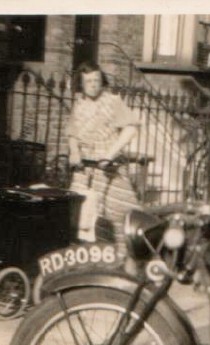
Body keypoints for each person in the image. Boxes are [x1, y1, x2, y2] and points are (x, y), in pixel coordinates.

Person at [66, 61, 140, 254]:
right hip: (84, 169)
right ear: (81, 84)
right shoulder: (79, 104)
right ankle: (85, 257)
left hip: (108, 167)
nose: (93, 84)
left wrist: (109, 155)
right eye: (88, 81)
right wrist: (74, 151)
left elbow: (131, 128)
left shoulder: (112, 101)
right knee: (82, 214)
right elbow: (72, 134)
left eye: (97, 80)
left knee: (120, 214)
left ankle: (128, 257)